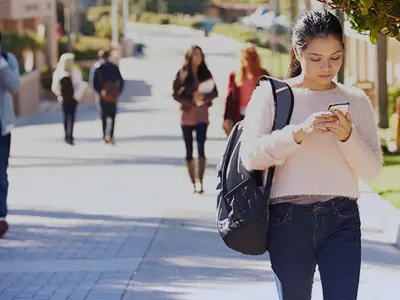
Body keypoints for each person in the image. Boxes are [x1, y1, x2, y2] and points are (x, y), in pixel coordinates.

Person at [240, 10, 382, 300]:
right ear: (297, 52)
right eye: (316, 58)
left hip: (342, 218)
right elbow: (251, 156)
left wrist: (347, 136)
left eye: (335, 57)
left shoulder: (356, 100)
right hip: (287, 220)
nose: (326, 67)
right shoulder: (272, 95)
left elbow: (373, 171)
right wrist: (298, 133)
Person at [173, 45, 218, 193]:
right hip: (186, 116)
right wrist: (191, 101)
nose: (198, 58)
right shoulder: (182, 73)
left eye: (200, 55)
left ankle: (201, 182)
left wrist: (204, 97)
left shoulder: (206, 73)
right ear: (189, 57)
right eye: (195, 55)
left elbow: (215, 92)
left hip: (202, 116)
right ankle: (192, 181)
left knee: (201, 147)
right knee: (188, 150)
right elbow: (175, 94)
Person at [223, 43, 269, 135]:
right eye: (246, 58)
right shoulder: (235, 75)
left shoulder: (263, 74)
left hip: (258, 116)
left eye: (251, 57)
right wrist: (227, 118)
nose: (248, 61)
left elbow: (270, 96)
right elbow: (230, 97)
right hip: (239, 116)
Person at [0, 33, 21, 238]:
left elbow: (14, 86)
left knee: (0, 174)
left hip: (2, 129)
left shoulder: (7, 59)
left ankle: (1, 217)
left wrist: (2, 66)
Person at [51, 53, 86, 145]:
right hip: (72, 99)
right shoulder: (75, 73)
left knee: (66, 117)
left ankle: (67, 135)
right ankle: (70, 135)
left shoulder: (58, 73)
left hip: (64, 99)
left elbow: (54, 87)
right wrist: (76, 97)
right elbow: (80, 86)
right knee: (71, 116)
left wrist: (60, 95)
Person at [93, 50, 124, 145]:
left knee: (103, 116)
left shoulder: (98, 68)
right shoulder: (114, 67)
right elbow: (121, 81)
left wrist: (100, 92)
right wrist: (118, 92)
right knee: (112, 115)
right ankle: (110, 135)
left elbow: (94, 83)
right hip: (113, 95)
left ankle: (104, 135)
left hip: (102, 96)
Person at [89, 49, 106, 115]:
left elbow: (92, 80)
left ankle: (104, 123)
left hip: (99, 91)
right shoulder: (113, 66)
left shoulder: (96, 67)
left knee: (101, 110)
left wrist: (95, 90)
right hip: (110, 91)